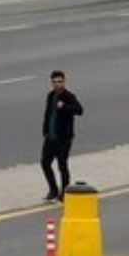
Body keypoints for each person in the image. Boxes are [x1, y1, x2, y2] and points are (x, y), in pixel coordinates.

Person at [41, 70, 84, 202]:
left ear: (64, 82)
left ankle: (64, 193)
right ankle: (53, 189)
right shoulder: (50, 96)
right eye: (54, 82)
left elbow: (79, 110)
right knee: (45, 163)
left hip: (64, 138)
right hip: (50, 136)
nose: (57, 84)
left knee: (62, 165)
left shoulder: (68, 96)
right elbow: (48, 114)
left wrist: (64, 106)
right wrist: (45, 131)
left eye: (59, 82)